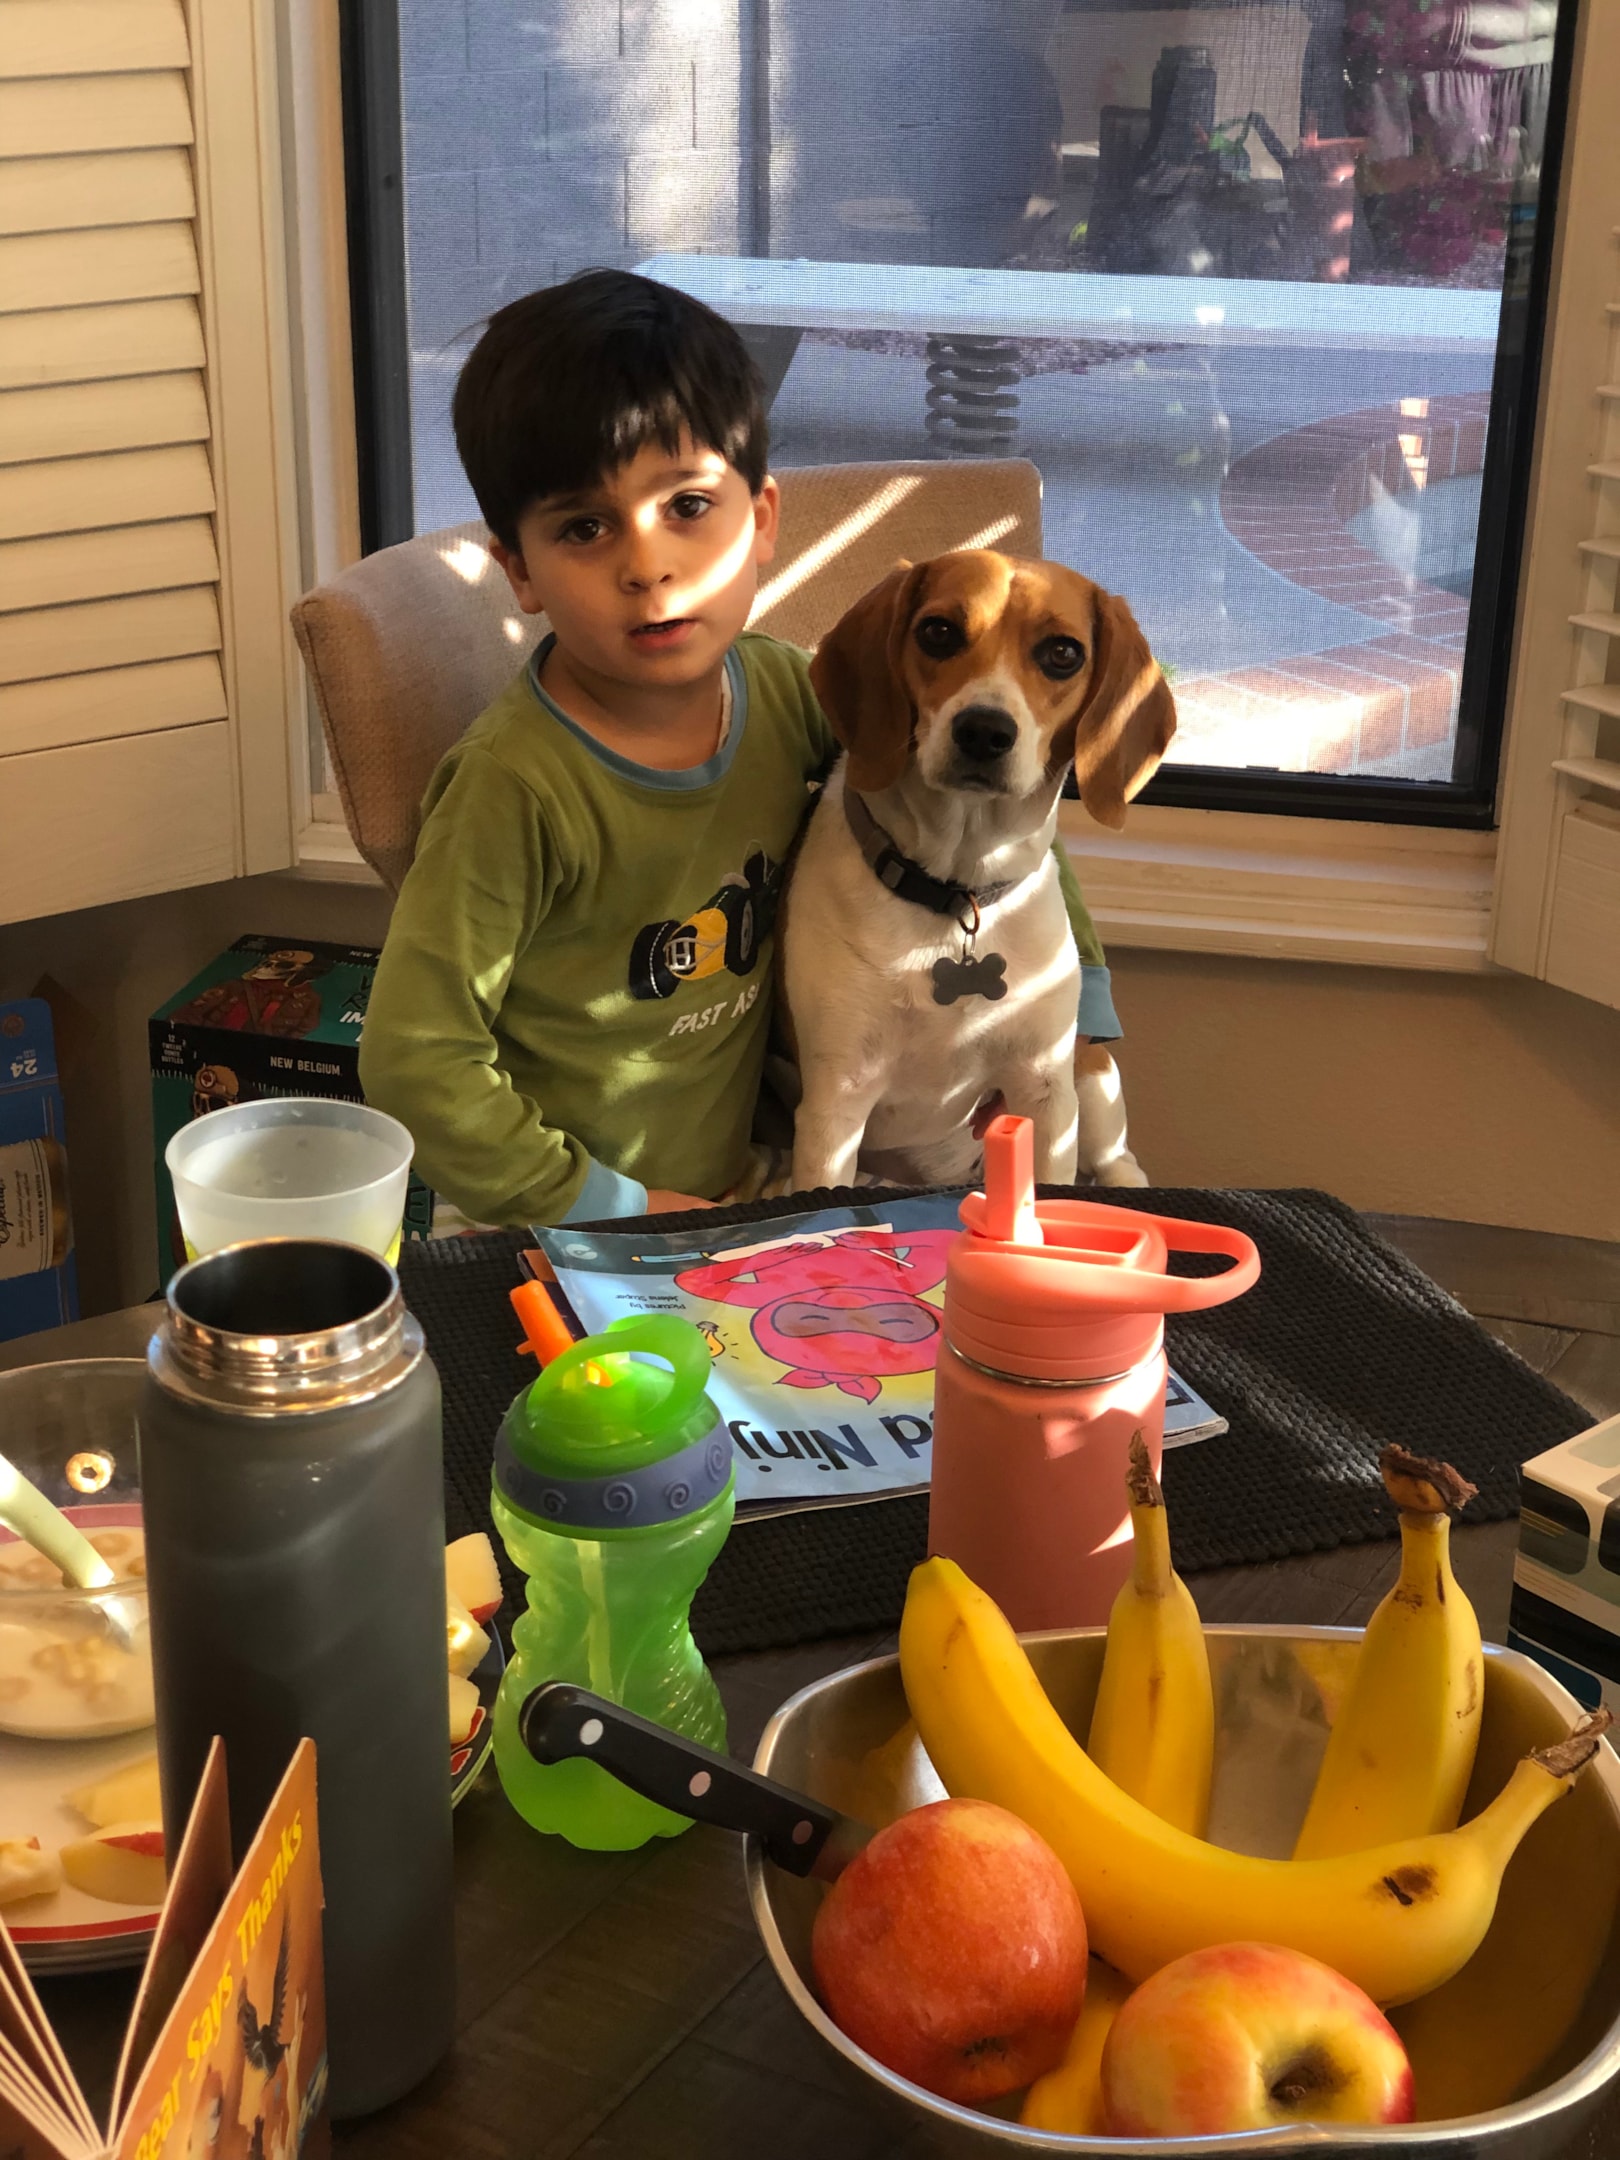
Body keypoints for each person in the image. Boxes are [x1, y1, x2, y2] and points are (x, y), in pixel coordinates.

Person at [359, 270, 1119, 1226]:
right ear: (520, 571)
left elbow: (1009, 828)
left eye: (686, 506)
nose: (648, 567)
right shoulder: (514, 789)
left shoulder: (777, 695)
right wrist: (607, 1205)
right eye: (586, 527)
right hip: (559, 1225)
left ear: (761, 521)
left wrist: (1082, 1003)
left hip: (743, 1189)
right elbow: (412, 1056)